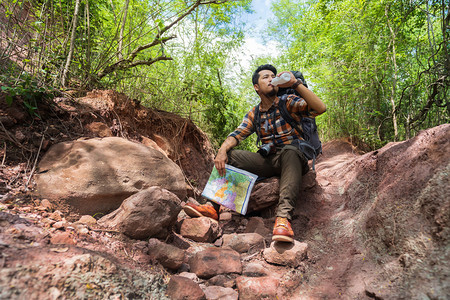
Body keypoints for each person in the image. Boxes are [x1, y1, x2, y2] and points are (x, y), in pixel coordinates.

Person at [184, 64, 326, 242]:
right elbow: (237, 134)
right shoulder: (255, 113)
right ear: (256, 87)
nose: (271, 79)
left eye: (273, 76)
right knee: (232, 155)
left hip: (293, 160)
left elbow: (320, 108)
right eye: (265, 77)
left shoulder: (288, 101)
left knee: (290, 150)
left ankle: (283, 220)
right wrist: (222, 150)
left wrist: (295, 83)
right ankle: (213, 207)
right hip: (269, 162)